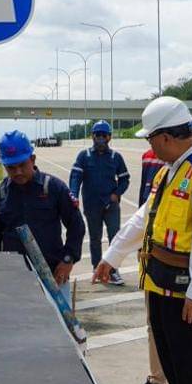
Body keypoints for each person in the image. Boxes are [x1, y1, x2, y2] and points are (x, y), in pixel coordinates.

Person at [94, 97, 192, 384]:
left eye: (150, 138)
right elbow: (145, 217)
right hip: (163, 286)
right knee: (177, 370)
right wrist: (112, 256)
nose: (150, 146)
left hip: (190, 297)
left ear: (166, 137)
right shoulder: (168, 172)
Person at [0, 130, 85, 286]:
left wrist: (68, 259)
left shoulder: (53, 188)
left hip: (53, 276)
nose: (18, 172)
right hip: (13, 279)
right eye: (11, 168)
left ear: (33, 159)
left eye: (22, 165)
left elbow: (76, 225)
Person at [69, 120, 131, 284]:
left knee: (115, 238)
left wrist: (117, 194)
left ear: (110, 137)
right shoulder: (84, 156)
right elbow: (76, 177)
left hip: (111, 206)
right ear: (92, 137)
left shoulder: (115, 157)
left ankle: (113, 271)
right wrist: (73, 195)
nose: (101, 139)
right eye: (98, 135)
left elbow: (125, 179)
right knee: (95, 239)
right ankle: (97, 268)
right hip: (92, 205)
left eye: (104, 135)